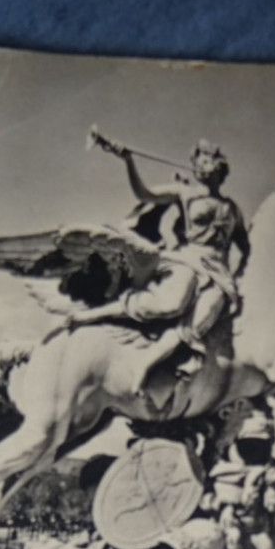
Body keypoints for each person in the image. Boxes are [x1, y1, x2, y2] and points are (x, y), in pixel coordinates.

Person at [68, 139, 250, 393]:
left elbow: (244, 246)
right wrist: (128, 162)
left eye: (207, 162)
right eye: (198, 163)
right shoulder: (184, 193)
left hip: (219, 274)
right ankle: (97, 314)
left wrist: (239, 274)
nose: (202, 167)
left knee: (198, 323)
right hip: (188, 260)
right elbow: (145, 194)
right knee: (172, 304)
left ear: (219, 168)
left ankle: (146, 364)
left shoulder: (232, 209)